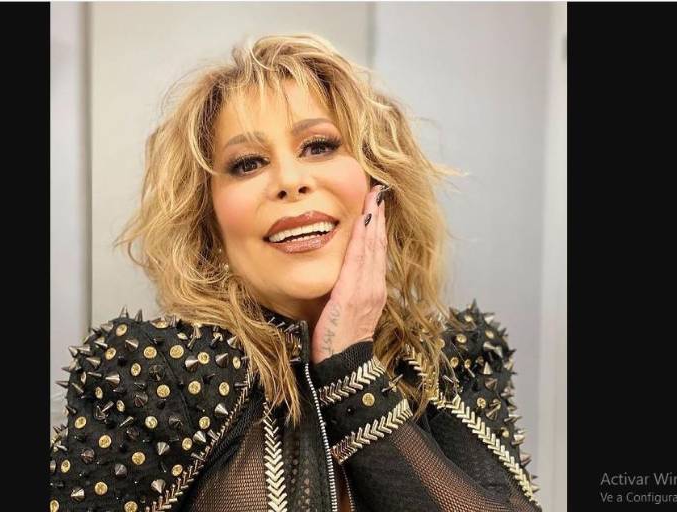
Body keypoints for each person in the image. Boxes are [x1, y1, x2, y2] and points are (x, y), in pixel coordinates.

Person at [49, 33, 541, 512]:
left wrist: (350, 371)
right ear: (209, 220)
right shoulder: (156, 373)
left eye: (318, 146)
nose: (289, 180)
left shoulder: (455, 354)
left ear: (379, 180)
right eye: (248, 163)